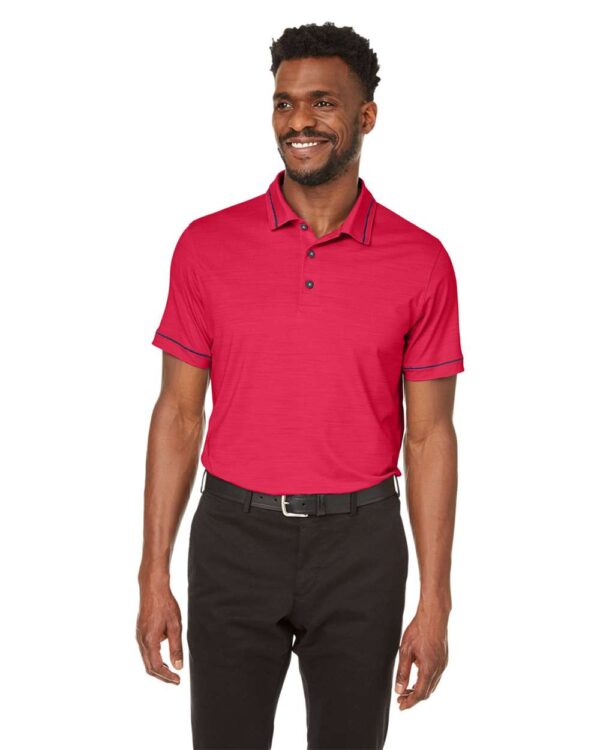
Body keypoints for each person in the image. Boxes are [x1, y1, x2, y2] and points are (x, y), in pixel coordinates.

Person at [137, 21, 465, 750]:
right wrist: (152, 575)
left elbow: (429, 435)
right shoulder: (206, 246)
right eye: (284, 103)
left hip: (362, 547)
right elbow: (179, 414)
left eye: (322, 102)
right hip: (232, 538)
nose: (298, 121)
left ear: (366, 117)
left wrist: (436, 600)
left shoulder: (422, 261)